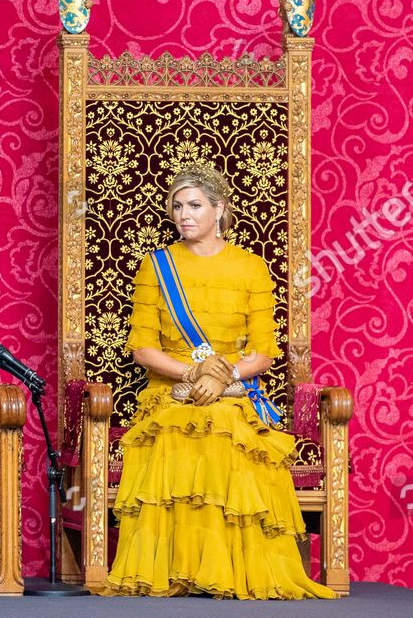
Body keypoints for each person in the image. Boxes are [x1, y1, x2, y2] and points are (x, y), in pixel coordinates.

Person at [101, 167, 335, 599]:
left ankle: (230, 571)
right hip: (169, 390)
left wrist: (220, 374)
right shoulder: (157, 265)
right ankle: (178, 569)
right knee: (179, 427)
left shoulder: (250, 267)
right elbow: (143, 350)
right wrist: (193, 374)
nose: (183, 215)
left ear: (219, 210)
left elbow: (263, 352)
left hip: (234, 391)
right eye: (177, 206)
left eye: (194, 206)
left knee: (226, 428)